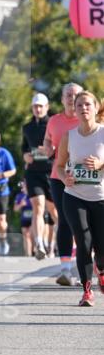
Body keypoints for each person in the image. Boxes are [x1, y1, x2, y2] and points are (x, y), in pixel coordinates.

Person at [56, 90, 104, 307]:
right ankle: (87, 290)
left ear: (96, 108)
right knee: (83, 243)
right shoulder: (69, 136)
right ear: (74, 110)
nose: (83, 108)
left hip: (101, 198)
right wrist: (65, 177)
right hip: (74, 196)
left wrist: (101, 165)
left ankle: (101, 270)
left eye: (87, 105)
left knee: (101, 248)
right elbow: (58, 165)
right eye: (79, 105)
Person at [43, 82, 83, 286]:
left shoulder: (87, 119)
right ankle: (66, 270)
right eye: (67, 94)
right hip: (59, 176)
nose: (71, 98)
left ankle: (89, 266)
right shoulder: (54, 121)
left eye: (75, 94)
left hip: (85, 177)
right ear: (62, 99)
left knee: (86, 221)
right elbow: (47, 141)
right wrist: (48, 148)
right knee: (65, 220)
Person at [21, 92, 57, 260]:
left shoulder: (53, 124)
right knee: (38, 207)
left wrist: (51, 150)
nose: (38, 109)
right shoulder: (27, 127)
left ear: (47, 107)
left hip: (51, 172)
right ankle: (39, 244)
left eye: (41, 106)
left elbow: (62, 146)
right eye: (35, 106)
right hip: (33, 172)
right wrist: (25, 155)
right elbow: (24, 147)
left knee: (55, 213)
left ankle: (53, 244)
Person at [13, 180, 34, 256]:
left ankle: (35, 252)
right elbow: (15, 209)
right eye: (22, 186)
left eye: (24, 185)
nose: (23, 188)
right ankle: (28, 255)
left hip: (33, 218)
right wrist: (21, 205)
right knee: (26, 236)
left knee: (32, 235)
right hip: (24, 218)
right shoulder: (19, 196)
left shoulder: (34, 194)